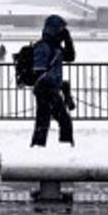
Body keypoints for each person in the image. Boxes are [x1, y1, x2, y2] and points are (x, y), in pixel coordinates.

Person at [31, 14, 75, 147]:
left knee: (58, 121)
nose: (62, 32)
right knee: (45, 122)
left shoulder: (55, 46)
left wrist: (68, 40)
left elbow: (70, 56)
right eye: (61, 29)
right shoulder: (43, 46)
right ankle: (40, 148)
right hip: (45, 89)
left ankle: (59, 146)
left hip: (52, 89)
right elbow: (39, 70)